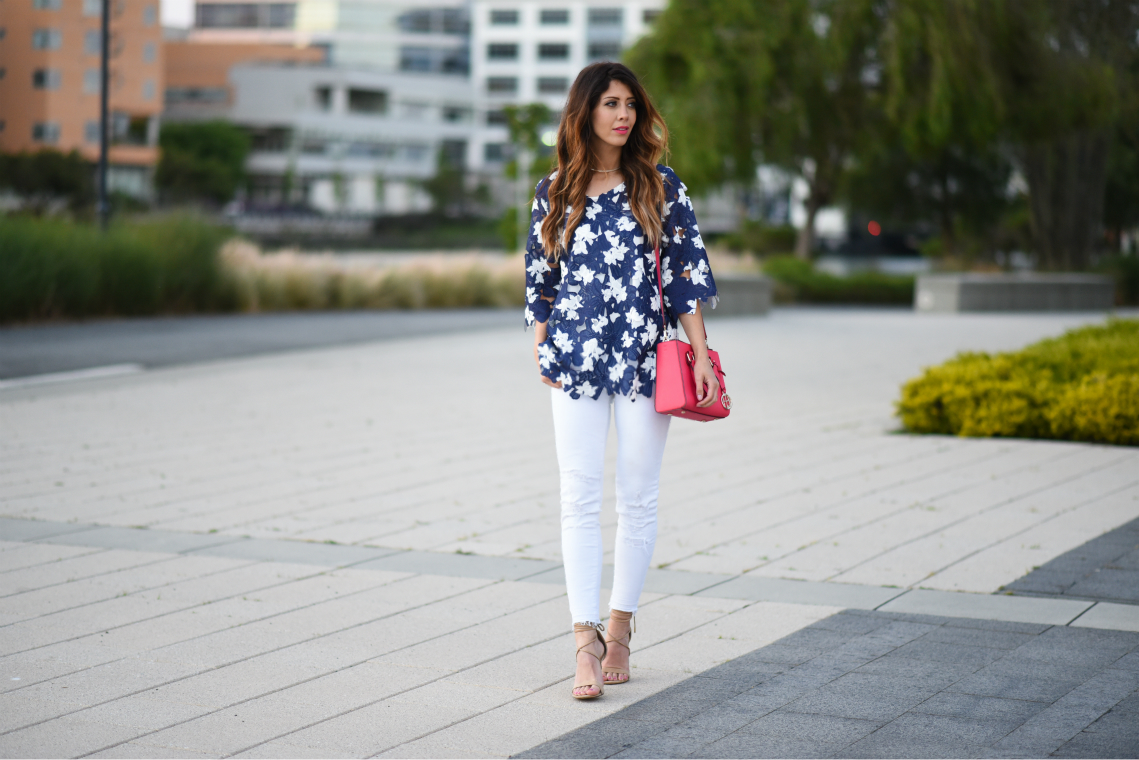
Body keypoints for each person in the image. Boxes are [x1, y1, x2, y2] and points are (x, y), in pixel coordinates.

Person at [524, 62, 720, 700]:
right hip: (576, 359)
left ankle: (621, 625)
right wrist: (540, 341)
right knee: (577, 495)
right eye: (610, 103)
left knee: (637, 494)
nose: (623, 114)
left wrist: (697, 351)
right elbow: (541, 278)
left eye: (630, 104)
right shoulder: (554, 190)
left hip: (643, 357)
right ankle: (584, 641)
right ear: (585, 111)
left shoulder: (660, 186)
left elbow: (685, 275)